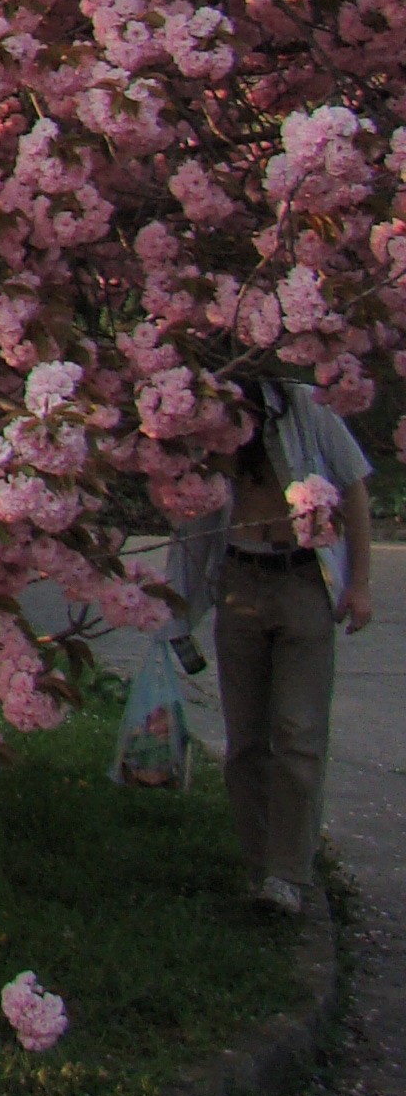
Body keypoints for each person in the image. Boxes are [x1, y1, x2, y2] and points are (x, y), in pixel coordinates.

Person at [173, 375, 377, 915]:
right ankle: (260, 865)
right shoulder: (202, 425)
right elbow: (188, 524)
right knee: (246, 740)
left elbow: (353, 482)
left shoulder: (303, 407)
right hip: (239, 579)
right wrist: (177, 617)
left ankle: (289, 873)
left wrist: (359, 583)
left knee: (298, 731)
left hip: (302, 579)